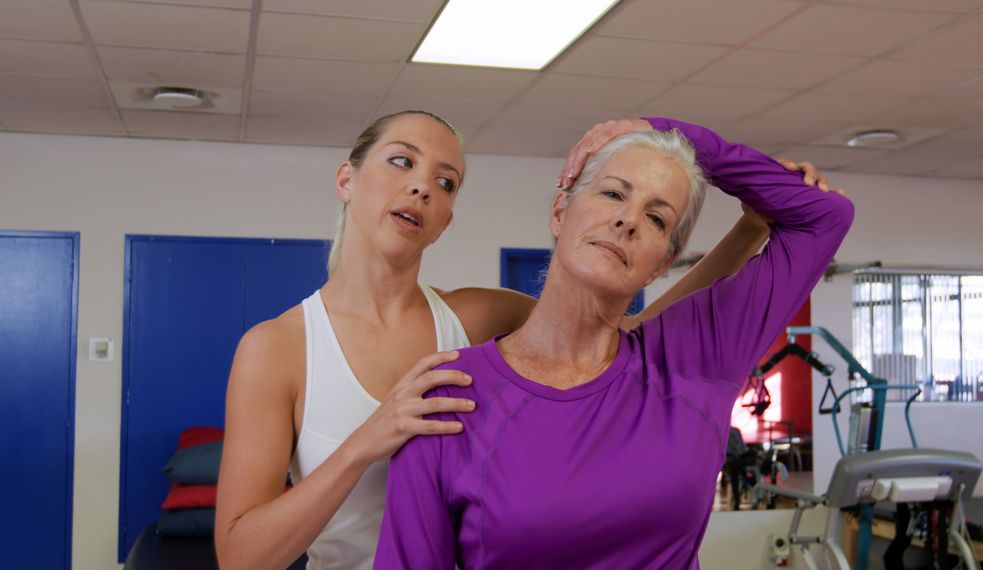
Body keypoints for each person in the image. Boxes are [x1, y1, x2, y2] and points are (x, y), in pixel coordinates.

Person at [214, 110, 831, 570]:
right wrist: (365, 444)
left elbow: (614, 339)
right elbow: (240, 557)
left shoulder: (476, 317)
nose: (422, 187)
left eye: (446, 181)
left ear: (448, 218)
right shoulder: (278, 348)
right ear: (347, 179)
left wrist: (747, 234)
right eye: (401, 162)